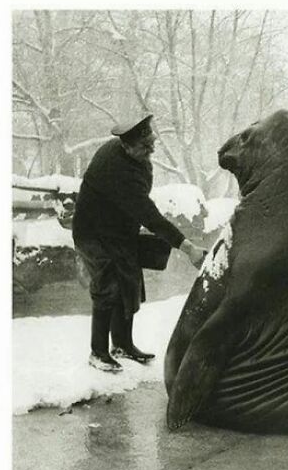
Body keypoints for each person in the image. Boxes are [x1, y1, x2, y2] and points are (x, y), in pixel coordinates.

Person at [72, 115, 207, 373]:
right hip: (92, 234)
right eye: (145, 147)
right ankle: (98, 352)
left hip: (118, 231)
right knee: (108, 285)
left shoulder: (133, 157)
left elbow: (138, 201)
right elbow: (149, 214)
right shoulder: (116, 168)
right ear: (126, 145)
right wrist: (187, 247)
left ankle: (122, 344)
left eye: (151, 142)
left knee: (129, 280)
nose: (151, 150)